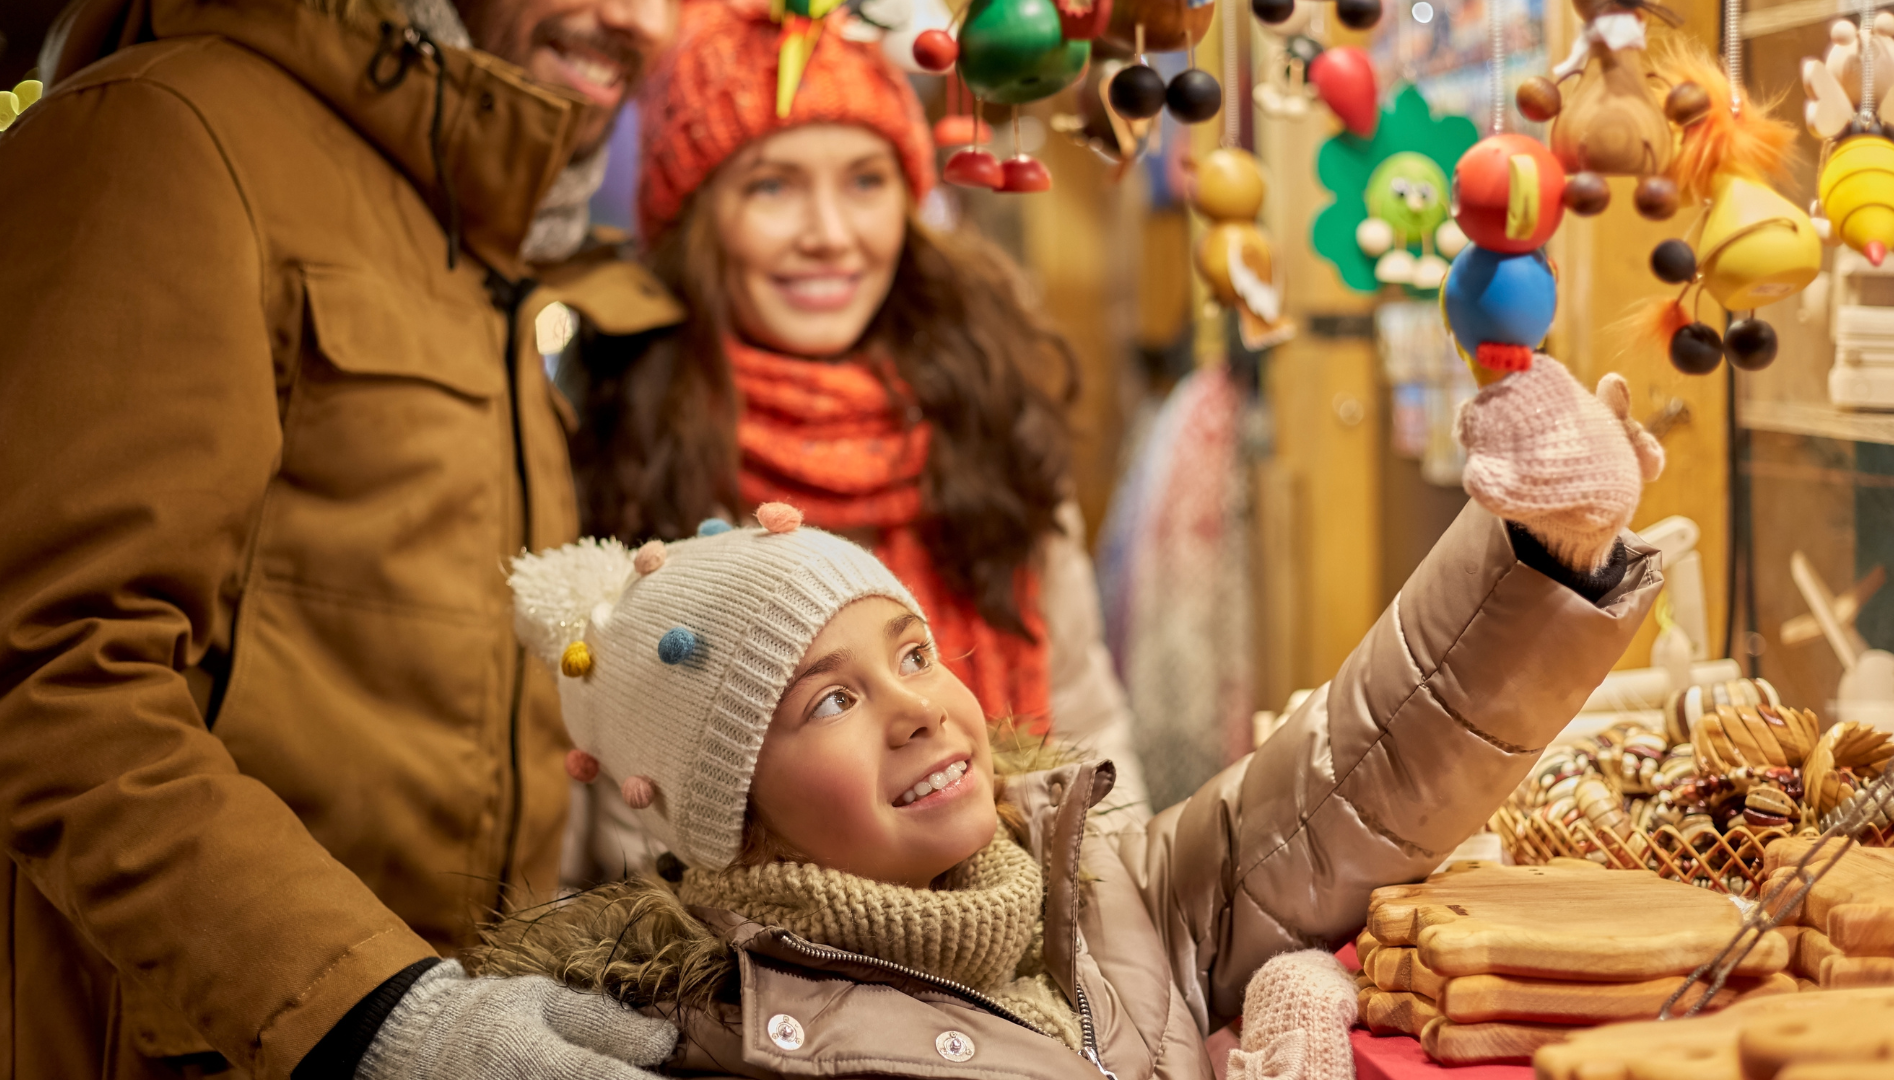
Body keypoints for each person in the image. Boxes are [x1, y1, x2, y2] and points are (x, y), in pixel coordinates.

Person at [480, 449, 1661, 1080]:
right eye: (831, 700)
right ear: (735, 818)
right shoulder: (755, 1046)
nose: (916, 710)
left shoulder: (1107, 893)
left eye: (914, 652)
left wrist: (1534, 560)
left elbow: (1346, 779)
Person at [0, 0, 689, 1075]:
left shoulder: (466, 224)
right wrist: (377, 1014)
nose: (635, 19)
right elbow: (50, 666)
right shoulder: (168, 130)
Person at [559, 0, 1152, 875]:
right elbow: (601, 815)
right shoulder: (619, 435)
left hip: (1023, 935)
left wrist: (1112, 941)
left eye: (866, 182)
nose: (831, 236)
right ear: (692, 217)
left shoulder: (983, 404)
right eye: (773, 186)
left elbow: (1083, 722)